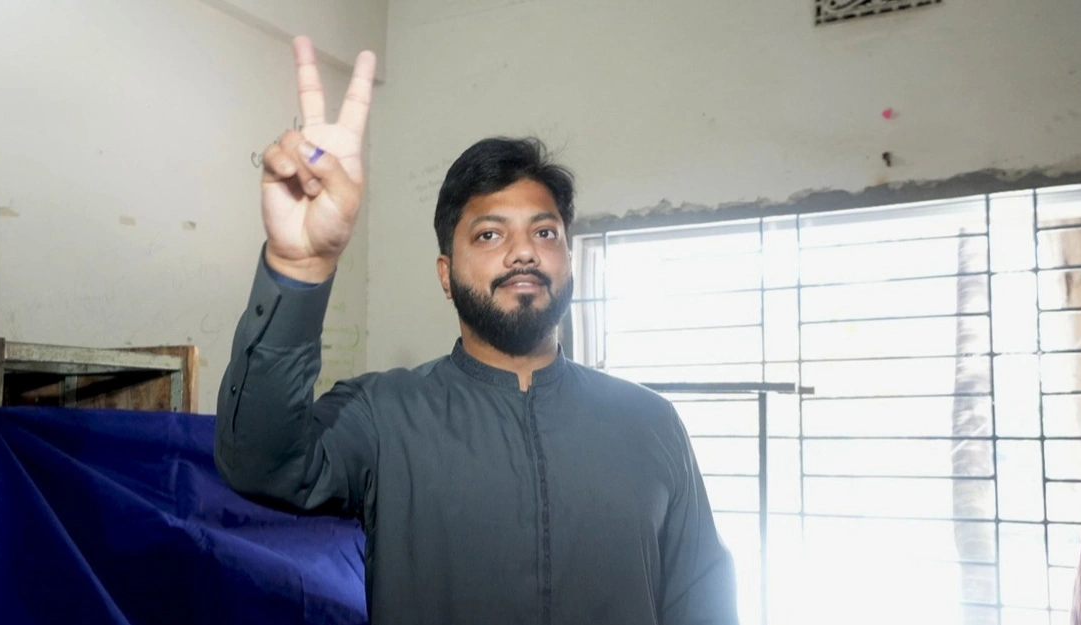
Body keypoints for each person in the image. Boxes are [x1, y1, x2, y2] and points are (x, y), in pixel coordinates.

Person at [215, 35, 739, 625]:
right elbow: (259, 463)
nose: (524, 251)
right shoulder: (383, 416)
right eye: (490, 234)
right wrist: (300, 268)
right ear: (446, 274)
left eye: (545, 232)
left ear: (569, 258)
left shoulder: (651, 423)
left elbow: (703, 600)